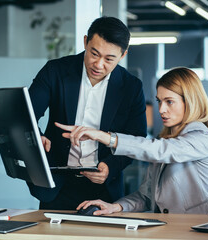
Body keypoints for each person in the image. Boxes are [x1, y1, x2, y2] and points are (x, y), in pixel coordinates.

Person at [56, 67, 208, 215]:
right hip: (172, 229)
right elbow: (146, 197)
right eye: (159, 101)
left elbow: (162, 151)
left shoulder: (200, 137)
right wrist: (116, 206)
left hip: (204, 229)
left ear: (191, 102)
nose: (161, 109)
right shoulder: (166, 140)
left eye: (169, 102)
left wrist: (105, 137)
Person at [27, 16, 147, 210]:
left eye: (109, 59)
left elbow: (136, 138)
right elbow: (27, 114)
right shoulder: (55, 71)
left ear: (123, 55)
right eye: (94, 54)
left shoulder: (131, 87)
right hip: (58, 185)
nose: (99, 65)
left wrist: (110, 167)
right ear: (85, 42)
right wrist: (37, 136)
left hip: (104, 189)